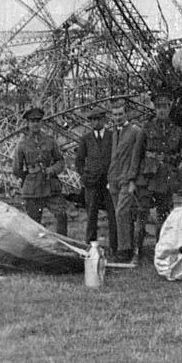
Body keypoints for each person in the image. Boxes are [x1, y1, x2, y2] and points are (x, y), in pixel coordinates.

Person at [135, 90, 182, 260]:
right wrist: (133, 178)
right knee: (142, 215)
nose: (161, 110)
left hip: (166, 177)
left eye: (165, 107)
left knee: (163, 216)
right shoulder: (146, 129)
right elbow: (137, 155)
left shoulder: (177, 131)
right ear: (154, 109)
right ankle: (136, 253)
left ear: (169, 108)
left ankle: (159, 253)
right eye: (158, 107)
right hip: (147, 176)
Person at [12, 106, 68, 235]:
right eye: (32, 121)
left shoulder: (50, 141)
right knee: (34, 225)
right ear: (28, 124)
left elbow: (60, 161)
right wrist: (30, 175)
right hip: (33, 190)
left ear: (41, 122)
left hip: (50, 187)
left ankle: (63, 245)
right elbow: (16, 169)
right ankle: (37, 251)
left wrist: (52, 170)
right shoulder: (22, 144)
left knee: (62, 215)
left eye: (38, 121)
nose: (35, 124)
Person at [107, 99, 146, 264]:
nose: (118, 117)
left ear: (127, 114)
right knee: (122, 215)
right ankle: (126, 248)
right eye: (115, 114)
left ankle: (125, 250)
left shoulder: (136, 131)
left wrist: (132, 180)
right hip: (114, 179)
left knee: (121, 213)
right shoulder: (114, 132)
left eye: (121, 114)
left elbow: (136, 158)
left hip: (127, 179)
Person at [75, 106, 117, 255]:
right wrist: (84, 177)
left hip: (108, 182)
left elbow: (116, 158)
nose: (95, 122)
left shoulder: (113, 136)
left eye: (98, 119)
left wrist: (113, 176)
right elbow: (79, 160)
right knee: (91, 214)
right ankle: (90, 247)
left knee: (113, 215)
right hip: (92, 183)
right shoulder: (86, 138)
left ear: (104, 120)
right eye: (92, 120)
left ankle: (114, 247)